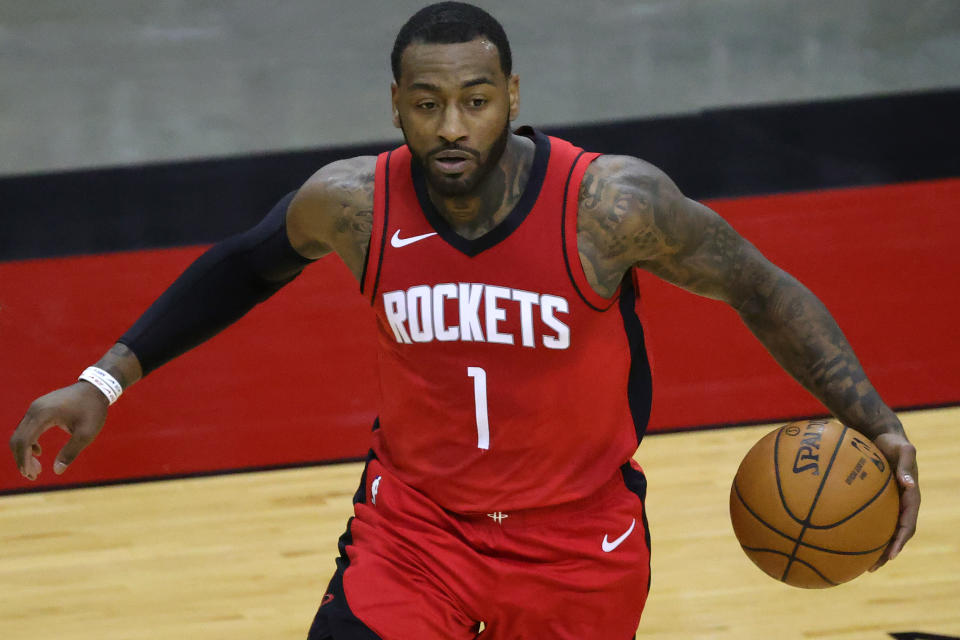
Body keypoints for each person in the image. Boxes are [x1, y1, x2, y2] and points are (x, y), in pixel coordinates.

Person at [9, 3, 920, 639]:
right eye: (428, 103)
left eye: (475, 101)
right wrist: (103, 381)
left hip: (577, 545)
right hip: (418, 531)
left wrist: (875, 420)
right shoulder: (355, 204)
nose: (452, 126)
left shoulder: (610, 207)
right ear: (396, 104)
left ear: (513, 97)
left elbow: (759, 287)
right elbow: (246, 263)